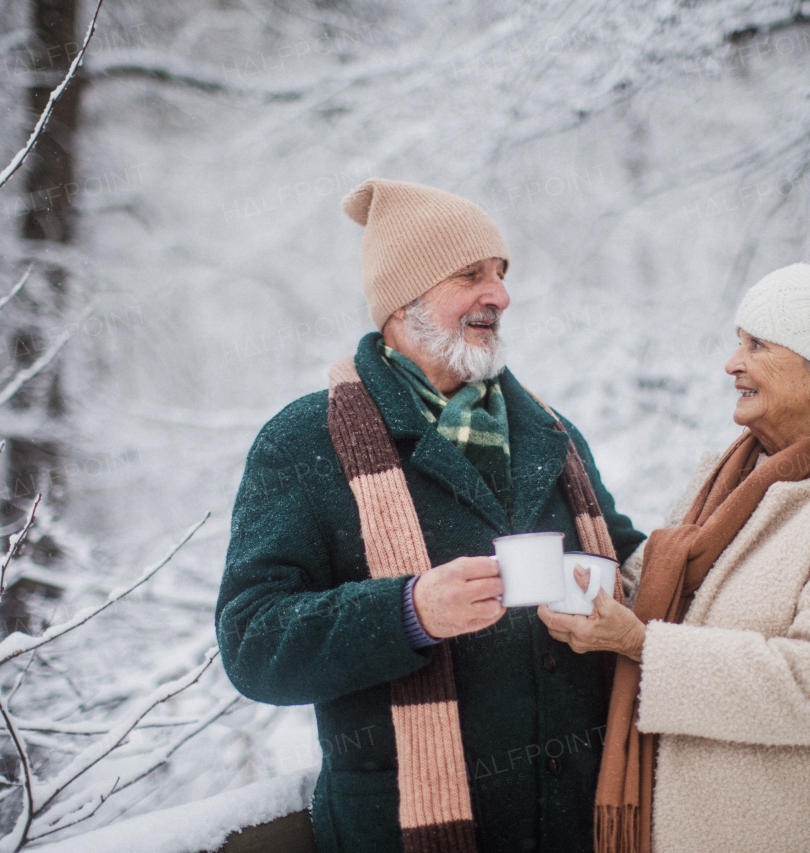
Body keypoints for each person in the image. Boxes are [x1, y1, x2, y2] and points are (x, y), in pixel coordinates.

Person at [216, 178, 644, 853]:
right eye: (472, 274)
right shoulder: (304, 443)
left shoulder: (551, 435)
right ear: (404, 298)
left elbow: (630, 566)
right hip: (404, 832)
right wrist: (408, 611)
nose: (500, 295)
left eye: (501, 274)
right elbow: (253, 644)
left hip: (577, 824)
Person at [540, 263, 810, 853]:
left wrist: (639, 644)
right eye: (736, 343)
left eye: (756, 345)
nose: (731, 363)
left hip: (792, 830)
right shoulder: (725, 478)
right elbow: (650, 581)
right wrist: (581, 580)